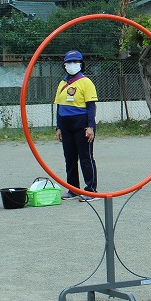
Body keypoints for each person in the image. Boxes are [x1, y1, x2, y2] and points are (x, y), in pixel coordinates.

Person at [54, 50, 98, 202]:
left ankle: (91, 190)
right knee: (70, 158)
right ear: (64, 65)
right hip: (66, 125)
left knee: (86, 157)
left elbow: (91, 106)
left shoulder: (86, 82)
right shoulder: (62, 83)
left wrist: (90, 126)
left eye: (75, 62)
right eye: (68, 62)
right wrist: (58, 127)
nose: (71, 65)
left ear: (81, 64)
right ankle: (73, 189)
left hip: (82, 124)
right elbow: (59, 106)